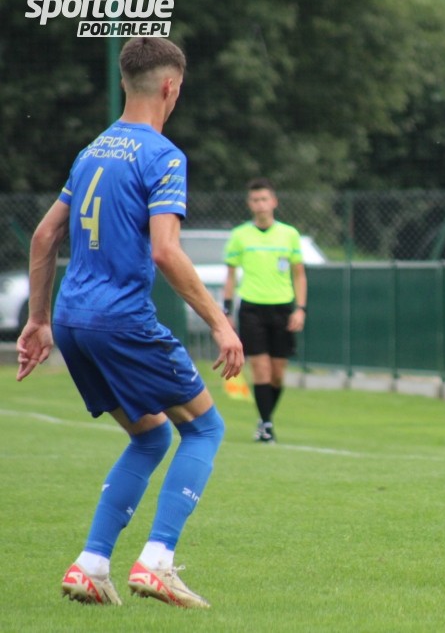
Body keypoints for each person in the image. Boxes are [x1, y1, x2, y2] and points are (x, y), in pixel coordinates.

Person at [16, 37, 244, 608]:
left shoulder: (92, 151)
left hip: (72, 320)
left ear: (125, 83)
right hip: (120, 320)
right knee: (205, 429)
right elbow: (166, 251)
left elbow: (44, 236)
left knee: (151, 435)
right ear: (171, 87)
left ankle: (92, 566)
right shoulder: (164, 156)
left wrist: (38, 320)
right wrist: (221, 323)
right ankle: (157, 562)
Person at [222, 178, 308, 443]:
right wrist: (226, 311)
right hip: (252, 309)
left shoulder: (289, 234)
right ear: (249, 204)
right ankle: (267, 425)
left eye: (264, 199)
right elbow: (230, 276)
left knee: (277, 373)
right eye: (255, 200)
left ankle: (264, 419)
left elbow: (299, 274)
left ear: (274, 202)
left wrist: (300, 309)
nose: (260, 204)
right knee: (260, 369)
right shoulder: (240, 235)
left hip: (282, 308)